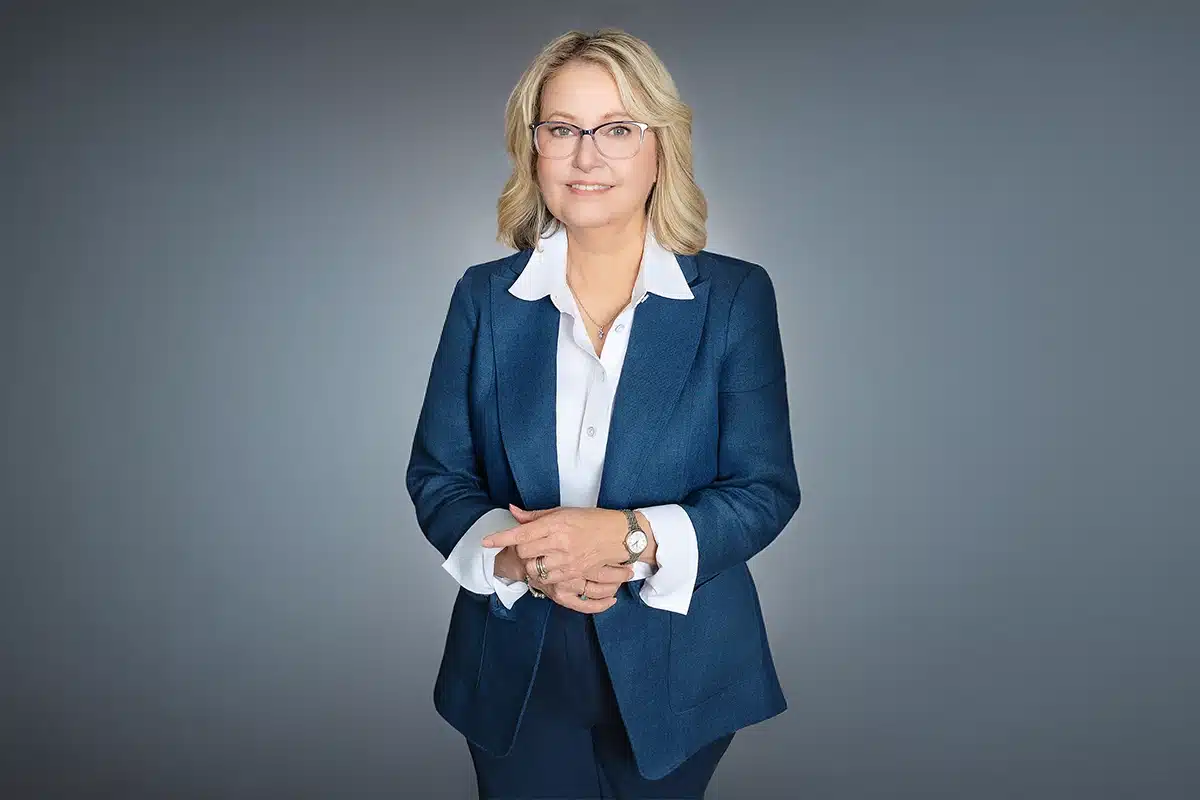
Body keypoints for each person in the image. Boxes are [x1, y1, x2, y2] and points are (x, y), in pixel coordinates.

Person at [406, 27, 801, 799]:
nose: (587, 157)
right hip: (516, 663)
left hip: (680, 664)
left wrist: (629, 535)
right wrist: (521, 557)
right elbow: (439, 476)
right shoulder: (484, 299)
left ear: (661, 148)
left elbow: (763, 489)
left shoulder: (732, 297)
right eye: (562, 129)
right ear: (534, 150)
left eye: (617, 130)